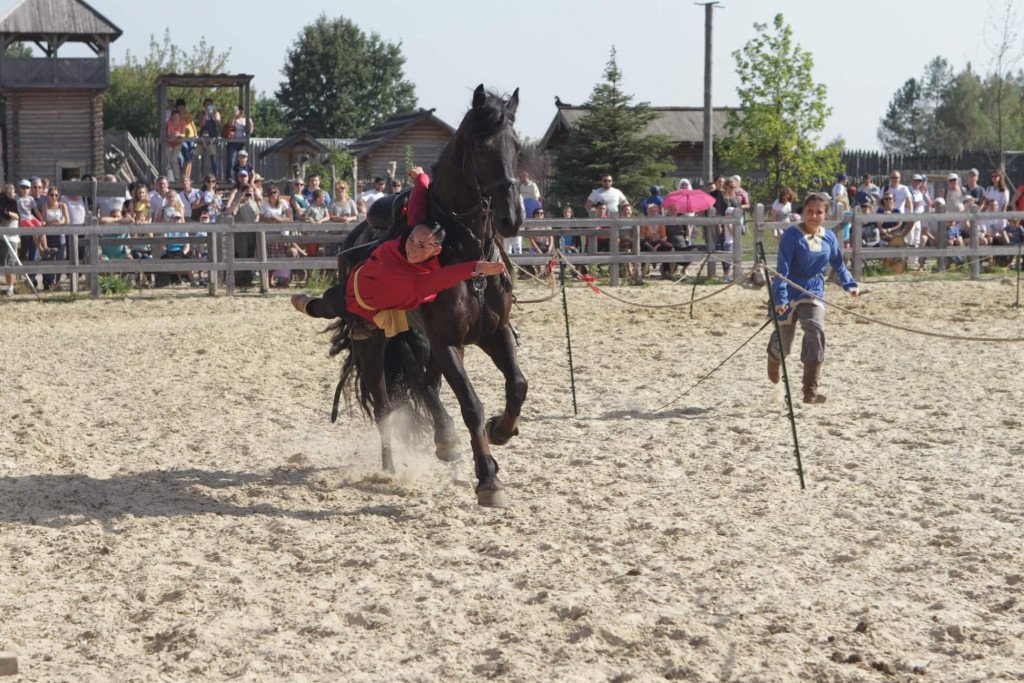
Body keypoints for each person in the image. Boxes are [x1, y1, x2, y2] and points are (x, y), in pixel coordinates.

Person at [292, 167, 506, 338]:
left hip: (375, 297)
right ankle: (308, 305)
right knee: (329, 303)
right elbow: (418, 203)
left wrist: (477, 267)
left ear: (436, 250)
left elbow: (446, 276)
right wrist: (422, 177)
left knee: (333, 299)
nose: (412, 247)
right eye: (412, 240)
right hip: (358, 292)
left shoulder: (421, 281)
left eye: (421, 246)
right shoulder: (409, 238)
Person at [767, 192, 858, 404]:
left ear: (825, 215)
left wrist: (849, 284)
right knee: (784, 344)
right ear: (803, 212)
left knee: (815, 330)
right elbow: (782, 270)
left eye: (819, 212)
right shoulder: (791, 236)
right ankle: (774, 357)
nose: (814, 216)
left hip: (814, 290)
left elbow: (838, 263)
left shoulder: (829, 237)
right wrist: (780, 299)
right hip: (789, 289)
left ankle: (810, 389)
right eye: (810, 211)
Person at [195, 98, 222, 179]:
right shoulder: (202, 113)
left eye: (210, 104)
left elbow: (218, 123)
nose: (208, 106)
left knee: (213, 159)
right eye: (207, 104)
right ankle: (203, 177)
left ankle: (215, 177)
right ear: (204, 106)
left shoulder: (216, 113)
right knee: (203, 159)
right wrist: (205, 114)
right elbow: (202, 124)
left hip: (213, 138)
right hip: (203, 138)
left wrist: (214, 114)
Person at [1, 183, 19, 296]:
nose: (11, 194)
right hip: (2, 237)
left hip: (11, 238)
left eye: (12, 192)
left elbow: (17, 216)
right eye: (8, 193)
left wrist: (7, 212)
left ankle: (10, 288)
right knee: (4, 263)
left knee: (10, 263)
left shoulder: (13, 204)